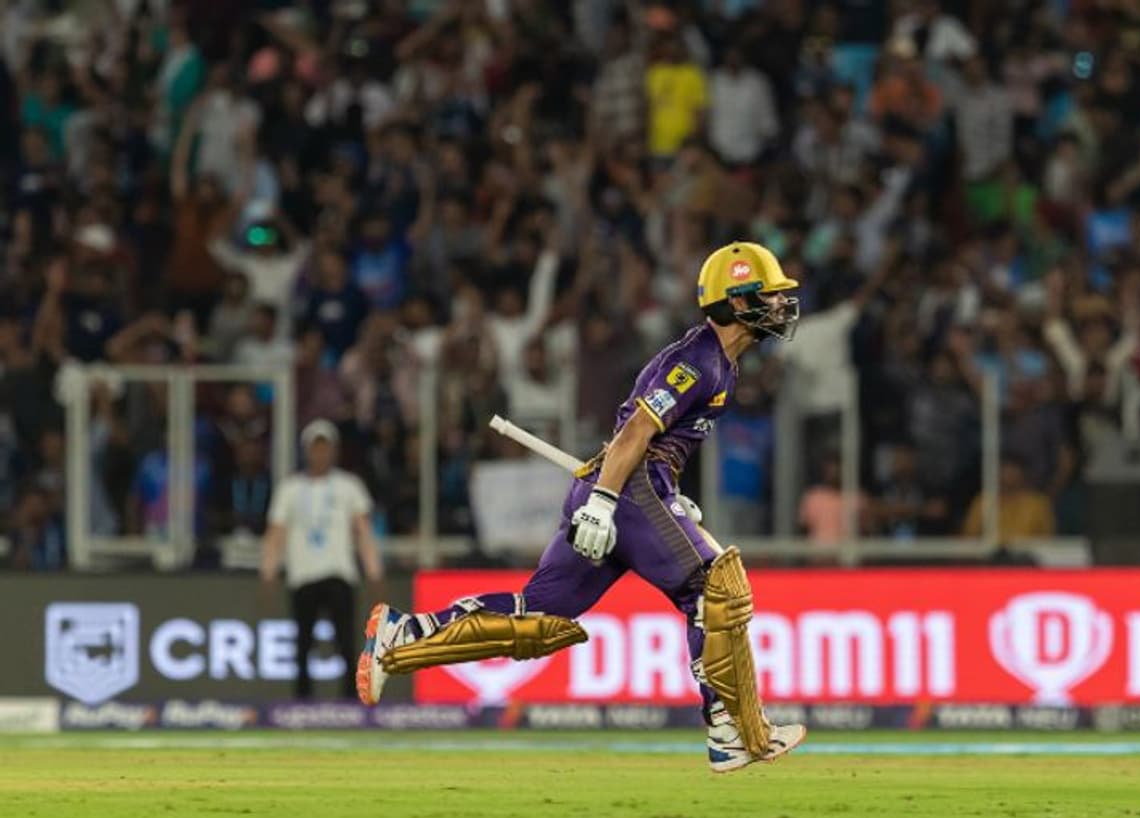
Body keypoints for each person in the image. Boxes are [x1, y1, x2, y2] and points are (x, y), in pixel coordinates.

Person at [358, 242, 806, 773]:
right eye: (768, 294)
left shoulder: (720, 364)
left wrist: (661, 492)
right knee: (715, 590)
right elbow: (636, 432)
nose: (779, 305)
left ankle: (404, 636)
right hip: (629, 488)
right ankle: (728, 729)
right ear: (736, 301)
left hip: (630, 487)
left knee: (538, 617)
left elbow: (658, 441)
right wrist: (606, 500)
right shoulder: (699, 361)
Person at [260, 419, 384, 700]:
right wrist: (268, 572)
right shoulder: (290, 489)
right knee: (302, 644)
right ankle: (302, 701)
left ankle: (351, 700)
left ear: (334, 450)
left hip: (339, 573)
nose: (320, 454)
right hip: (303, 575)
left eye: (325, 448)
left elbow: (364, 532)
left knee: (346, 641)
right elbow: (275, 535)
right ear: (306, 451)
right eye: (315, 448)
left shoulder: (349, 486)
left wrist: (374, 571)